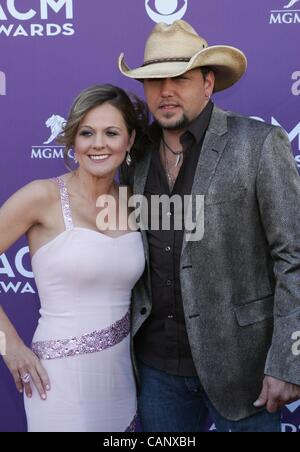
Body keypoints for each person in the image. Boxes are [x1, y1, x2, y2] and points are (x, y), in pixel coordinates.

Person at [118, 20, 300, 432]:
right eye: (154, 80)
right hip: (157, 370)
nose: (165, 91)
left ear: (207, 83)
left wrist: (290, 359)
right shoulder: (135, 154)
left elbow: (294, 256)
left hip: (245, 369)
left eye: (179, 78)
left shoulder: (258, 144)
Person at [0, 84, 147, 432]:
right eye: (86, 133)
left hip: (120, 380)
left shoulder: (136, 202)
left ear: (129, 140)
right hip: (57, 380)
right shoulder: (42, 196)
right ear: (72, 141)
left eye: (111, 133)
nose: (98, 144)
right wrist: (10, 347)